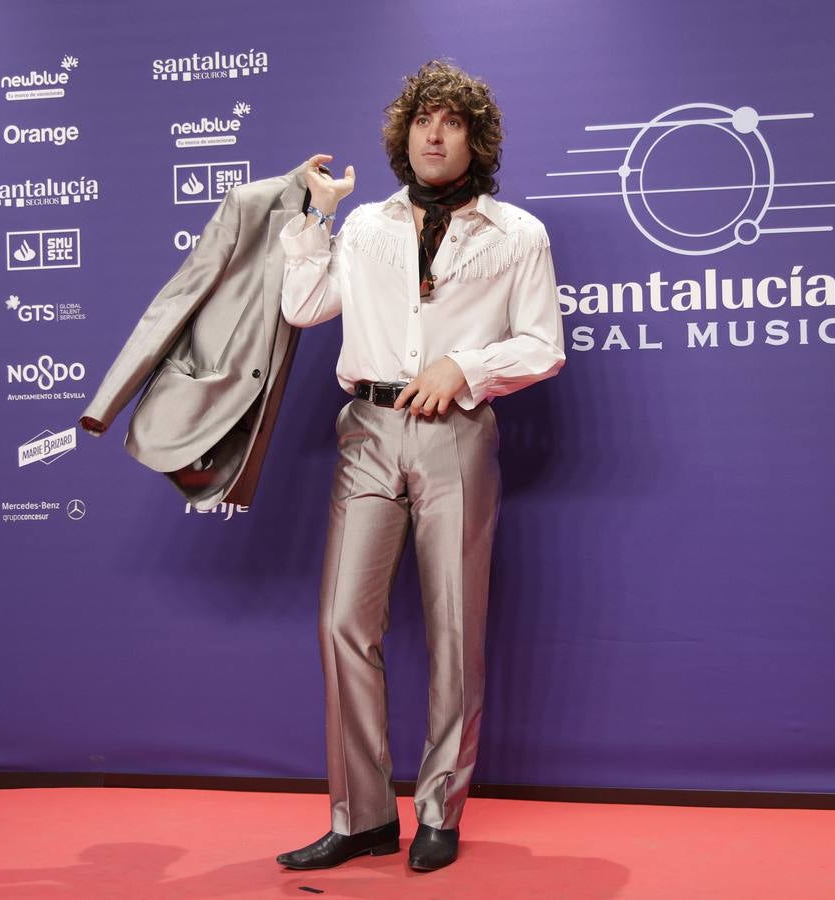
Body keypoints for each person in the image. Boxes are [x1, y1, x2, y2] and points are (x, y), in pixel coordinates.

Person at [273, 59, 565, 873]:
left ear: (476, 138)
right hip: (366, 426)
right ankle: (362, 815)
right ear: (404, 134)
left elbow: (543, 345)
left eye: (452, 122)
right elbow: (301, 307)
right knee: (343, 624)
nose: (434, 134)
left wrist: (464, 369)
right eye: (422, 120)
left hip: (456, 432)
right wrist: (313, 217)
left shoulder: (517, 234)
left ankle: (440, 808)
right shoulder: (364, 225)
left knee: (453, 628)